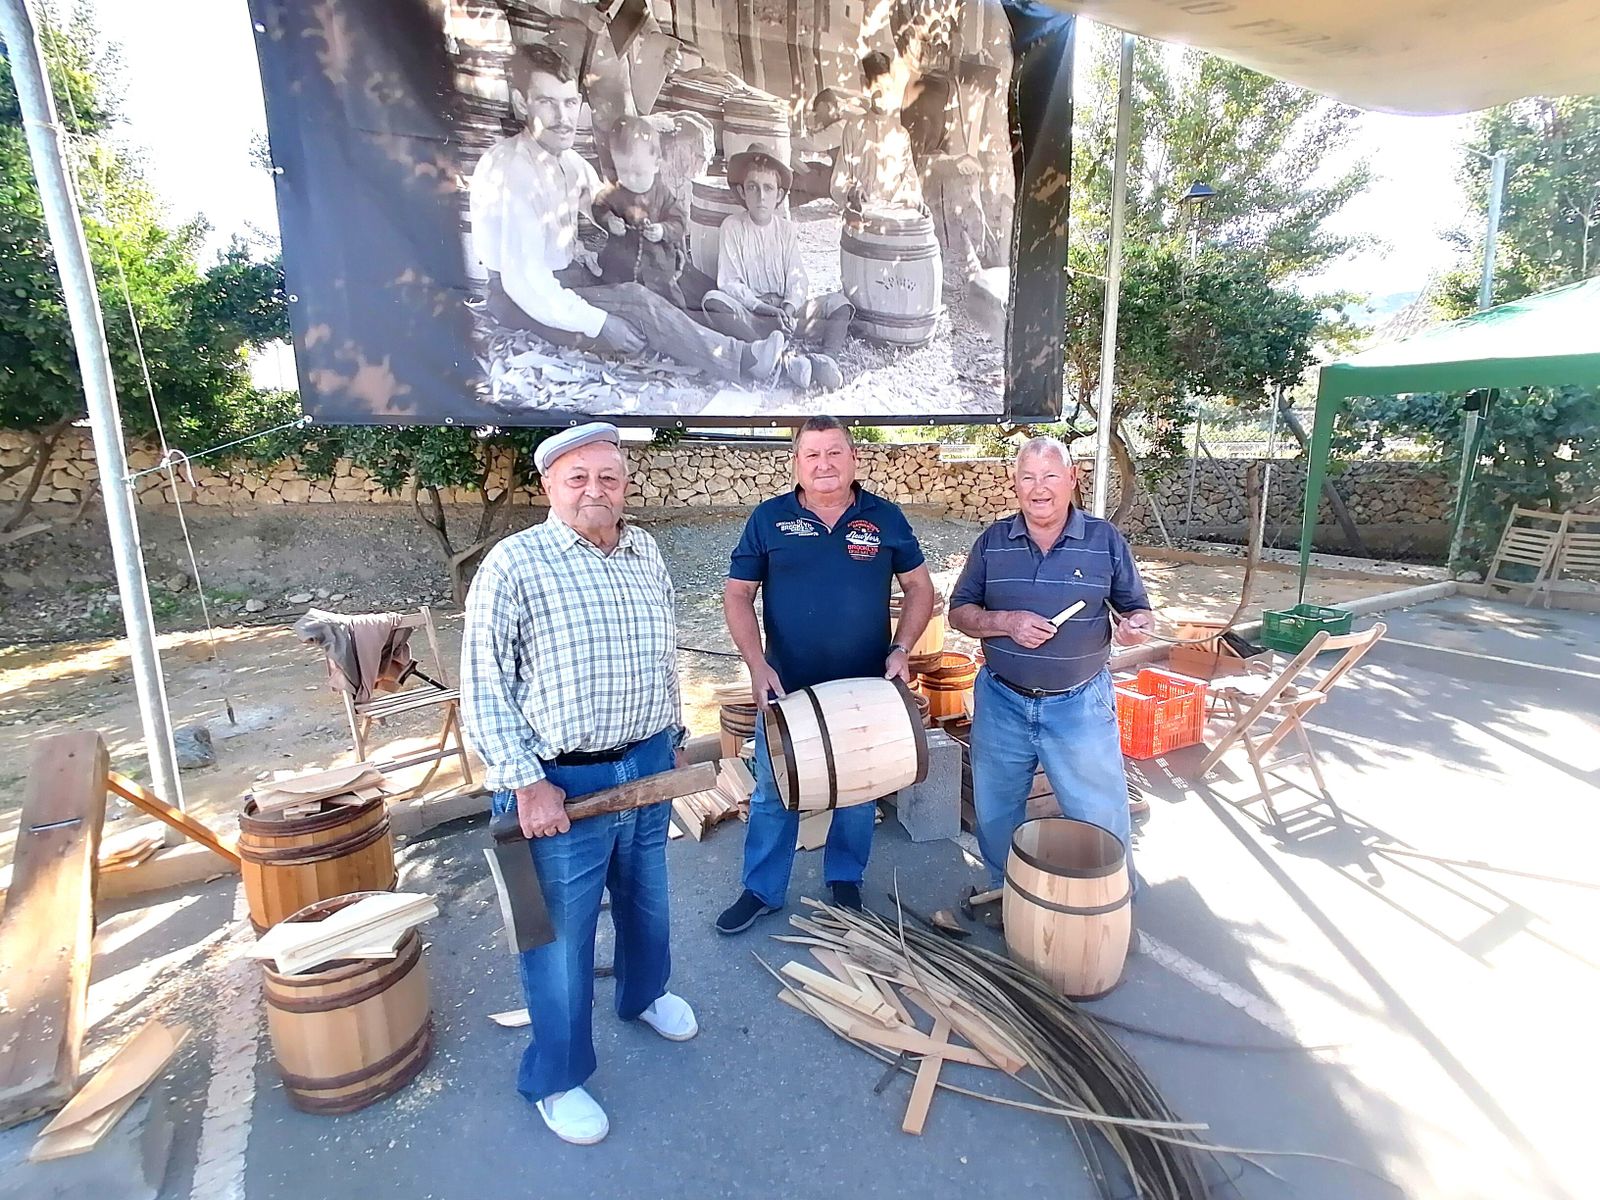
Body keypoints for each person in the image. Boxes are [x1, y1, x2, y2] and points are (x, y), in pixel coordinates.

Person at [460, 421, 696, 1147]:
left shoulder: (645, 551)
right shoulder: (514, 564)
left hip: (645, 762)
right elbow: (483, 686)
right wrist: (525, 783)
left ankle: (644, 993)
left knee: (647, 898)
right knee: (560, 937)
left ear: (625, 485)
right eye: (578, 478)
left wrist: (672, 736)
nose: (596, 490)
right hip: (559, 782)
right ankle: (556, 1078)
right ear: (548, 488)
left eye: (609, 477)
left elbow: (663, 654)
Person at [715, 417, 936, 934]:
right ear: (796, 462)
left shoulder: (884, 517)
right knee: (775, 793)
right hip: (788, 689)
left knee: (858, 790)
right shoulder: (769, 519)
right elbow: (738, 594)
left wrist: (903, 648)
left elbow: (920, 588)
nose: (824, 464)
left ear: (854, 457)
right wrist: (756, 664)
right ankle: (761, 890)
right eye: (812, 454)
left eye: (834, 452)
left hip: (864, 689)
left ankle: (845, 880)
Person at [468, 43, 786, 386]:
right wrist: (601, 323)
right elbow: (526, 284)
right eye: (547, 102)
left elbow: (612, 203)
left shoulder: (569, 162)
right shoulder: (512, 170)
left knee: (671, 272)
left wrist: (658, 235)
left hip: (569, 278)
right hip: (521, 301)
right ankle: (744, 360)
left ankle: (767, 332)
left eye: (570, 103)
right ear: (521, 103)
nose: (563, 117)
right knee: (637, 301)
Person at [947, 437, 1155, 895]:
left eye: (1050, 476)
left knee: (1100, 814)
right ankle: (1008, 895)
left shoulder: (1104, 540)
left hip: (1079, 704)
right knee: (996, 813)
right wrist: (1005, 622)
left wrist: (1136, 626)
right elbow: (959, 612)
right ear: (1014, 483)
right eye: (1028, 477)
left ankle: (1112, 905)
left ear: (1072, 478)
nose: (1038, 488)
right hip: (1001, 701)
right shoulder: (992, 542)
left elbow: (1136, 609)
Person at [700, 144, 854, 390]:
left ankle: (826, 360)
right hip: (753, 312)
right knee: (713, 300)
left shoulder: (785, 229)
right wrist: (763, 308)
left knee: (839, 303)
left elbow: (797, 278)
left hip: (787, 313)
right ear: (742, 192)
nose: (761, 197)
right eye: (753, 187)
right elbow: (730, 281)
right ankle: (781, 358)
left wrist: (788, 308)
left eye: (768, 188)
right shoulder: (732, 226)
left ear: (779, 195)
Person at [592, 115, 692, 308]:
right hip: (620, 271)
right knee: (615, 303)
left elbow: (679, 222)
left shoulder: (662, 194)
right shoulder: (615, 193)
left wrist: (663, 230)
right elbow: (599, 206)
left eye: (638, 172)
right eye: (623, 171)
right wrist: (609, 220)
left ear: (656, 165)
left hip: (658, 272)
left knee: (671, 308)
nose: (630, 179)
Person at [830, 50, 925, 213]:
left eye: (888, 88)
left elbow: (912, 183)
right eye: (878, 88)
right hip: (862, 215)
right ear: (867, 86)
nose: (883, 94)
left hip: (893, 217)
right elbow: (838, 183)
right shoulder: (855, 127)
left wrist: (915, 200)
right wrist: (852, 192)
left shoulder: (901, 135)